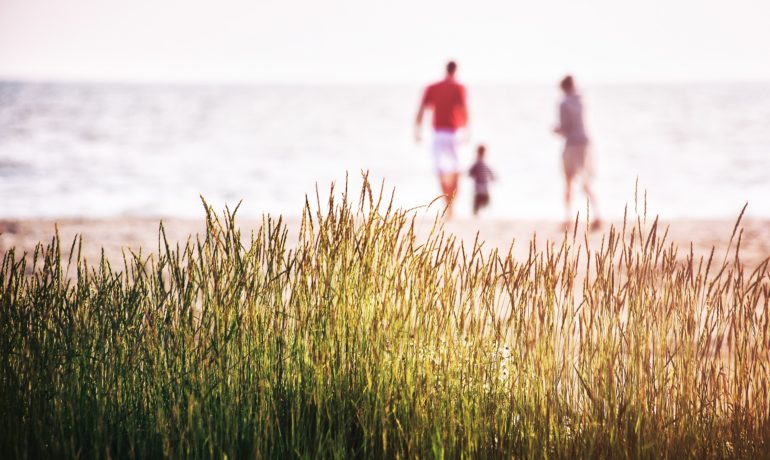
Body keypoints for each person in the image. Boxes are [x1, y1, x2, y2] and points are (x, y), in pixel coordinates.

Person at [415, 61, 469, 218]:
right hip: (454, 132)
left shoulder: (433, 87)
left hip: (438, 133)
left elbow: (421, 110)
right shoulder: (459, 87)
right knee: (456, 170)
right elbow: (465, 110)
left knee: (441, 170)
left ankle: (448, 205)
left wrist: (417, 130)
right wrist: (467, 130)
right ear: (456, 70)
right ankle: (451, 206)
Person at [553, 75, 601, 230]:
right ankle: (597, 215)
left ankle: (568, 219)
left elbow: (565, 128)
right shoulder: (582, 100)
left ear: (563, 88)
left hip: (572, 143)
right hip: (586, 142)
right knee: (586, 182)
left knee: (568, 181)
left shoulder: (564, 103)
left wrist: (556, 130)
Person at [469, 144, 495, 216]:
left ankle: (479, 211)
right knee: (480, 199)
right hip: (479, 184)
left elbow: (488, 170)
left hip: (483, 184)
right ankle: (476, 212)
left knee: (484, 199)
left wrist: (492, 176)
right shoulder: (477, 162)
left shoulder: (482, 162)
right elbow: (470, 172)